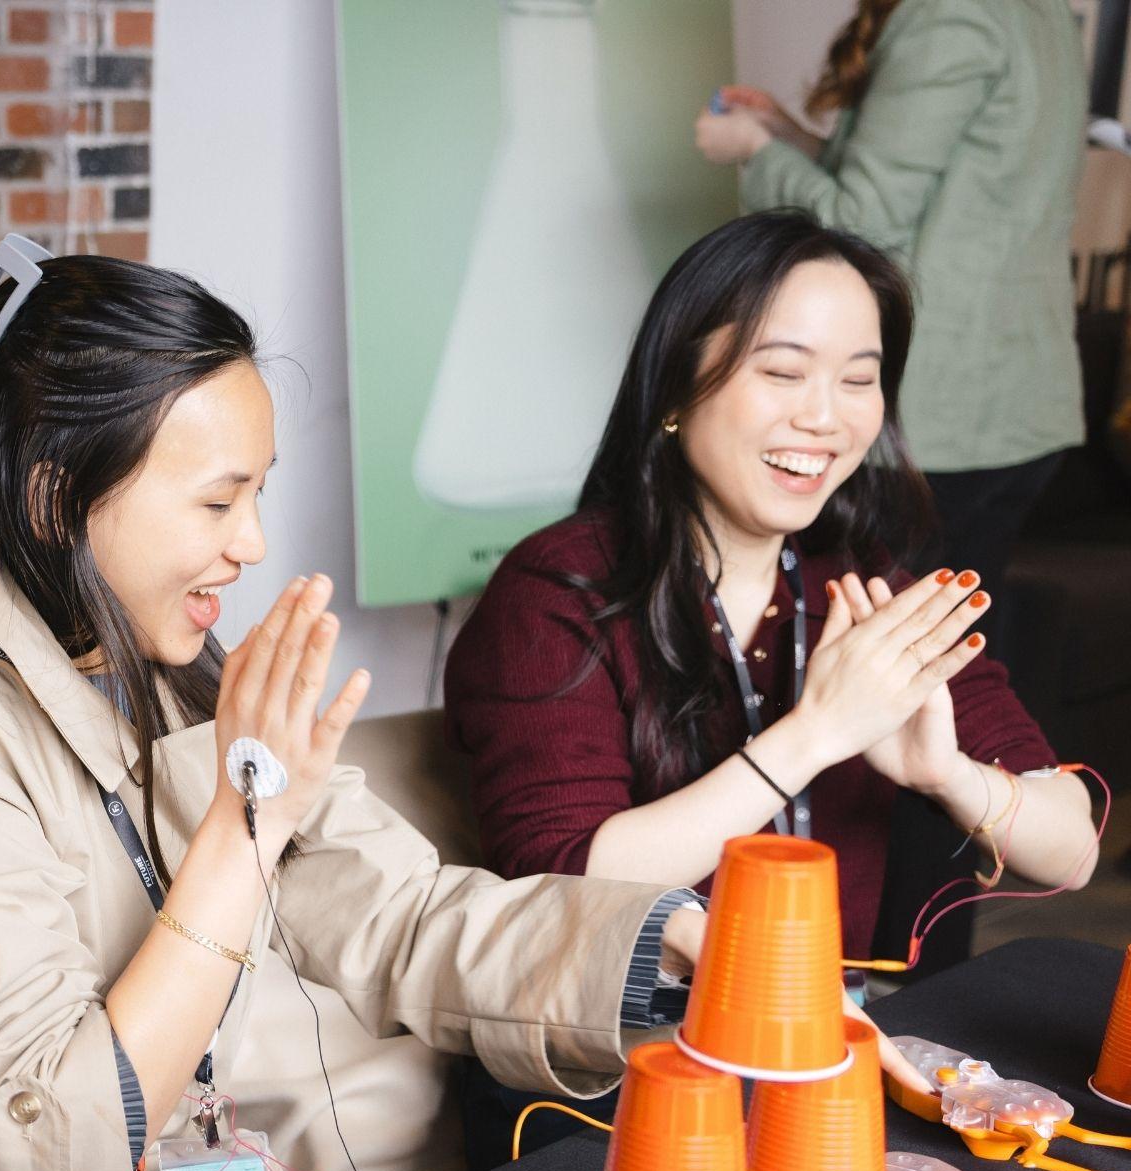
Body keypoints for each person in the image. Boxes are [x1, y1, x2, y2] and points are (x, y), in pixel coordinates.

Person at [0, 242, 778, 1171]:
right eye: (215, 502)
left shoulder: (194, 694)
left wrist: (670, 946)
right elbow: (63, 1138)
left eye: (255, 495)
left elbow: (404, 918)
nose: (251, 544)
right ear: (57, 496)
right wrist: (241, 831)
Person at [447, 213, 1094, 1010]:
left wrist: (948, 775)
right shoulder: (558, 592)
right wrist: (819, 731)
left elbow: (1071, 850)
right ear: (677, 385)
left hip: (818, 1045)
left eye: (859, 380)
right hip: (608, 1070)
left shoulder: (866, 588)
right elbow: (566, 881)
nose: (826, 418)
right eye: (783, 373)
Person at [695, 0, 1085, 597]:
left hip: (936, 416)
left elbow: (861, 222)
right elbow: (946, 184)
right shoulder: (1042, 12)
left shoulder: (950, 15)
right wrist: (789, 135)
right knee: (960, 646)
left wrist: (753, 149)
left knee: (882, 640)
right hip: (1019, 403)